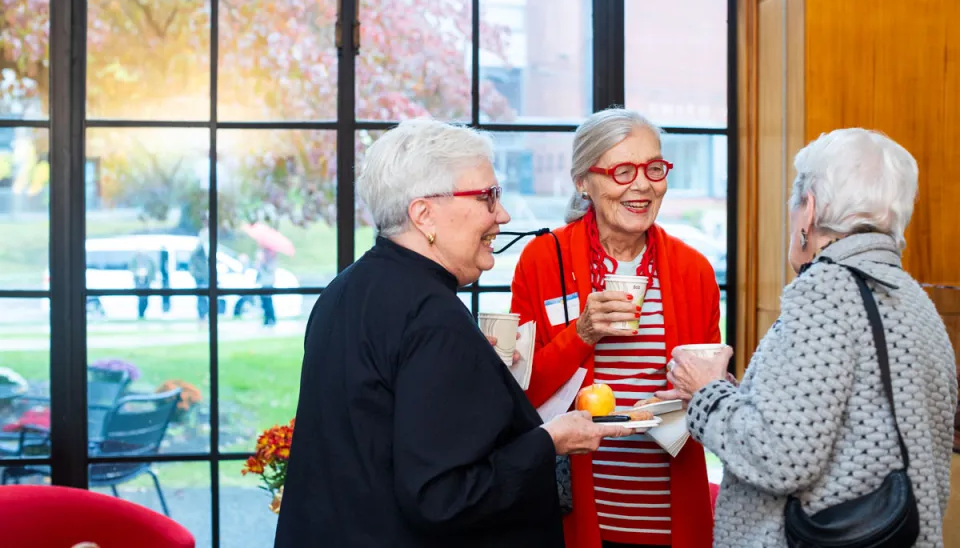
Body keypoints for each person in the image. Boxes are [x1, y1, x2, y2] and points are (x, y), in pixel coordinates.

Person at [275, 120, 630, 548]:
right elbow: (444, 498)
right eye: (486, 197)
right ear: (424, 214)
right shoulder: (433, 317)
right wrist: (548, 441)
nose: (503, 214)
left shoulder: (345, 289)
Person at [664, 128, 957, 547]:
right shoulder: (914, 298)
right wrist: (741, 402)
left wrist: (705, 393)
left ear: (810, 209)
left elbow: (781, 458)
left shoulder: (826, 289)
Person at [510, 108, 720, 548]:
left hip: (668, 512)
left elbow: (705, 396)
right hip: (579, 511)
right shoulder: (544, 261)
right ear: (584, 181)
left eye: (654, 168)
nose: (642, 185)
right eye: (623, 171)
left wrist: (701, 393)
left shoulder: (692, 270)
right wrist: (582, 333)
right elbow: (519, 394)